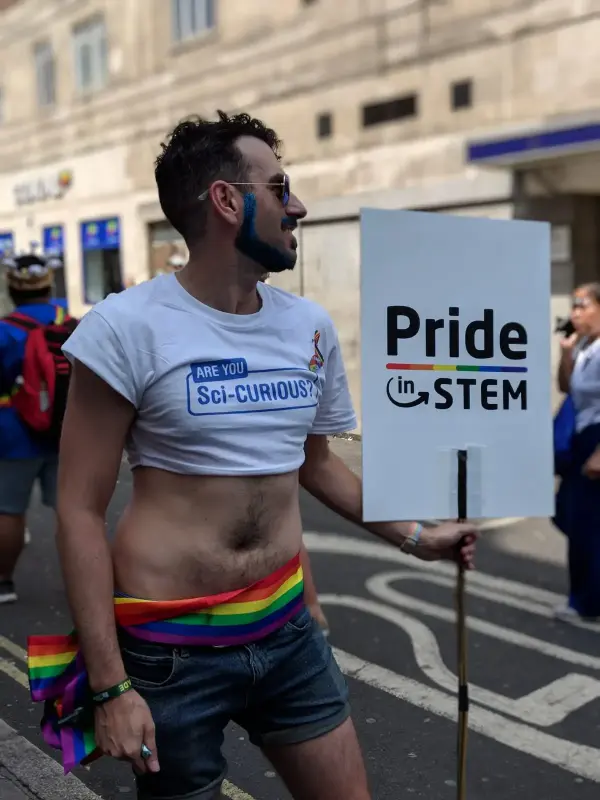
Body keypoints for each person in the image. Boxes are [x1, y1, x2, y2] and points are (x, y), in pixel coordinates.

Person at [29, 111, 477, 800]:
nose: (297, 207)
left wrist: (418, 536)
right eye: (280, 188)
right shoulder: (124, 328)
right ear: (226, 200)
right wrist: (111, 685)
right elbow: (79, 511)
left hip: (285, 629)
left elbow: (316, 463)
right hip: (168, 650)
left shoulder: (307, 326)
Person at [0, 252, 69, 604]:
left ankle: (4, 584)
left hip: (14, 435)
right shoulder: (72, 323)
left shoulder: (4, 331)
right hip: (67, 432)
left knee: (9, 510)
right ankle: (85, 579)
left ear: (12, 289)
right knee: (74, 512)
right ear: (48, 287)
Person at [554, 282, 600, 624]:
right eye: (574, 305)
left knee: (587, 524)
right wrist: (566, 353)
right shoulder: (585, 346)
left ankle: (586, 603)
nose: (575, 312)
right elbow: (566, 386)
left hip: (596, 440)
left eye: (583, 305)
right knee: (569, 514)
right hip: (582, 438)